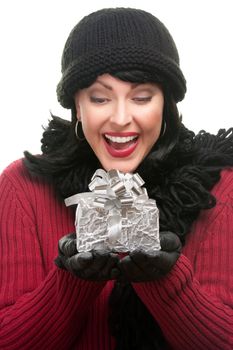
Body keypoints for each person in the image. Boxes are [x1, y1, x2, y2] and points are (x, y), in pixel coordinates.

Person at [0, 7, 232, 350]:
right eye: (99, 98)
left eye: (141, 97)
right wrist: (71, 283)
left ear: (165, 103)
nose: (121, 118)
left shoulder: (218, 187)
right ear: (77, 106)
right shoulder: (21, 186)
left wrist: (166, 282)